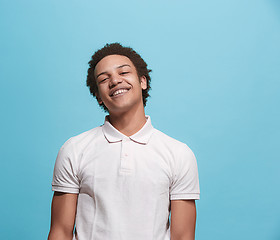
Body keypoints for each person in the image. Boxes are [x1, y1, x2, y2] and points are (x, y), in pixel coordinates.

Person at [48, 43, 200, 240]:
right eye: (104, 79)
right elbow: (60, 231)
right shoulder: (74, 149)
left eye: (124, 72)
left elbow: (183, 236)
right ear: (98, 96)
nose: (115, 81)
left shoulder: (179, 154)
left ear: (142, 81)